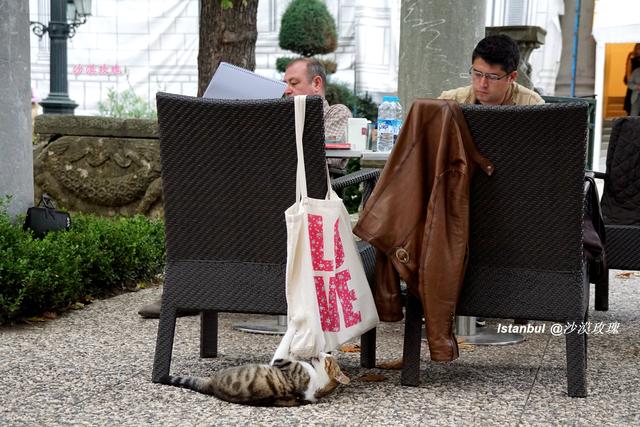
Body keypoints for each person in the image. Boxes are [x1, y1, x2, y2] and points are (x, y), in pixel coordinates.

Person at [138, 58, 352, 319]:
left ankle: (197, 290)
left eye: (293, 83)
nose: (286, 89)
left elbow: (330, 158)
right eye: (284, 83)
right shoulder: (276, 111)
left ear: (316, 83)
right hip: (259, 197)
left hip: (302, 200)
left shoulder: (335, 113)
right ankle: (185, 290)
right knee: (204, 203)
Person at [438, 34, 544, 106]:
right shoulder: (450, 101)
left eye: (492, 77)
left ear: (511, 77)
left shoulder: (532, 105)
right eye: (478, 74)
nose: (482, 84)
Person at [623, 43, 640, 116]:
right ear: (636, 49)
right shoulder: (632, 59)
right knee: (631, 107)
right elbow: (628, 74)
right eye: (638, 48)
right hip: (634, 85)